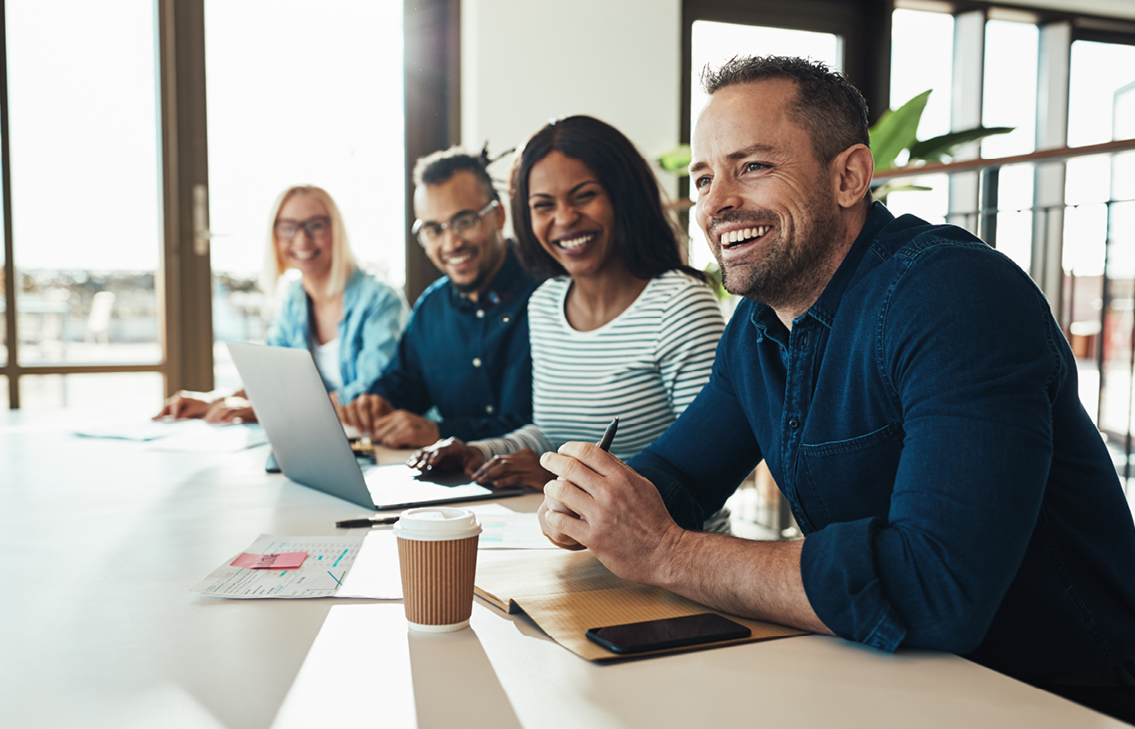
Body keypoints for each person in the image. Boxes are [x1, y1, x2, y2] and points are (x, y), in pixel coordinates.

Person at [535, 56, 1135, 722]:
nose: (714, 203)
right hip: (886, 678)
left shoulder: (953, 295)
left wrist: (667, 551)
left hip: (1059, 695)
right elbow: (677, 476)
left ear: (849, 175)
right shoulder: (755, 327)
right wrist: (594, 502)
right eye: (703, 177)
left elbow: (934, 589)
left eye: (752, 166)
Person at [406, 116, 725, 490]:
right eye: (543, 205)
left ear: (622, 196)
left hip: (661, 544)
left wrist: (560, 477)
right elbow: (549, 436)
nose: (565, 219)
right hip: (561, 535)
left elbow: (706, 466)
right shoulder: (545, 303)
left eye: (584, 196)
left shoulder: (680, 305)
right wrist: (478, 452)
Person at [335, 148, 543, 448]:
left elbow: (548, 426)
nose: (451, 243)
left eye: (465, 222)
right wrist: (378, 402)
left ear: (498, 215)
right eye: (433, 230)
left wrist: (442, 433)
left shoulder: (548, 295)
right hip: (454, 484)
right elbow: (404, 382)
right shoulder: (431, 307)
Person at [155, 185, 407, 424]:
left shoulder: (379, 299)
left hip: (379, 440)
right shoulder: (295, 297)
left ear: (336, 229)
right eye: (288, 227)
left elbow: (371, 396)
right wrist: (214, 400)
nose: (302, 240)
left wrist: (265, 410)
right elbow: (272, 376)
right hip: (320, 436)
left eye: (315, 225)